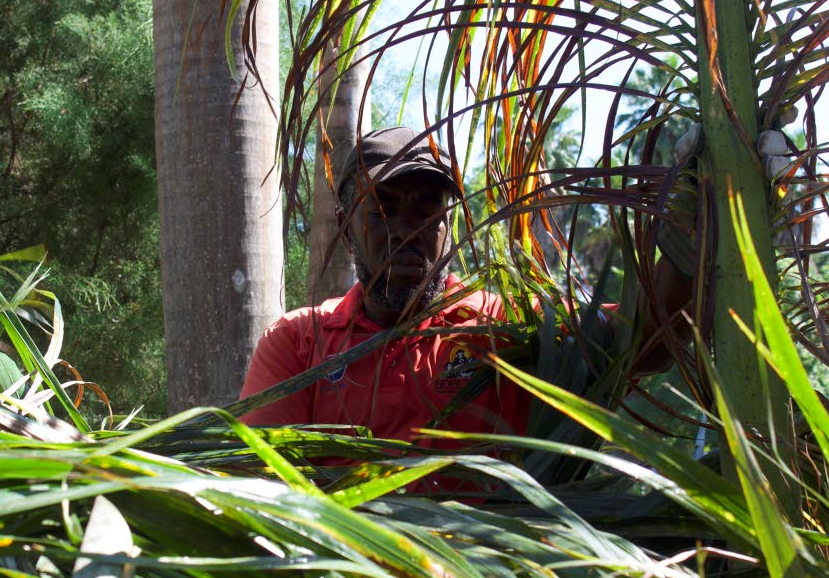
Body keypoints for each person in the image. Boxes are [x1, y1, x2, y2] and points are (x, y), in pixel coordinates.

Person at [238, 127, 691, 489]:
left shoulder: (509, 327)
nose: (404, 230)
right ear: (346, 226)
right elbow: (262, 489)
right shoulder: (300, 343)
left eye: (425, 210)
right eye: (381, 209)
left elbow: (648, 341)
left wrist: (692, 213)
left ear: (449, 223)